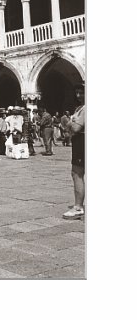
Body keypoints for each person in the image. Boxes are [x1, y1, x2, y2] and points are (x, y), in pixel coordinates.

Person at [63, 83, 85, 219]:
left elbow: (75, 128)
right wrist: (72, 123)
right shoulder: (80, 108)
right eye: (77, 93)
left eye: (81, 92)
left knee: (77, 173)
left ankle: (78, 207)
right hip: (80, 140)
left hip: (82, 141)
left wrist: (71, 122)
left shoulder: (85, 108)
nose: (78, 95)